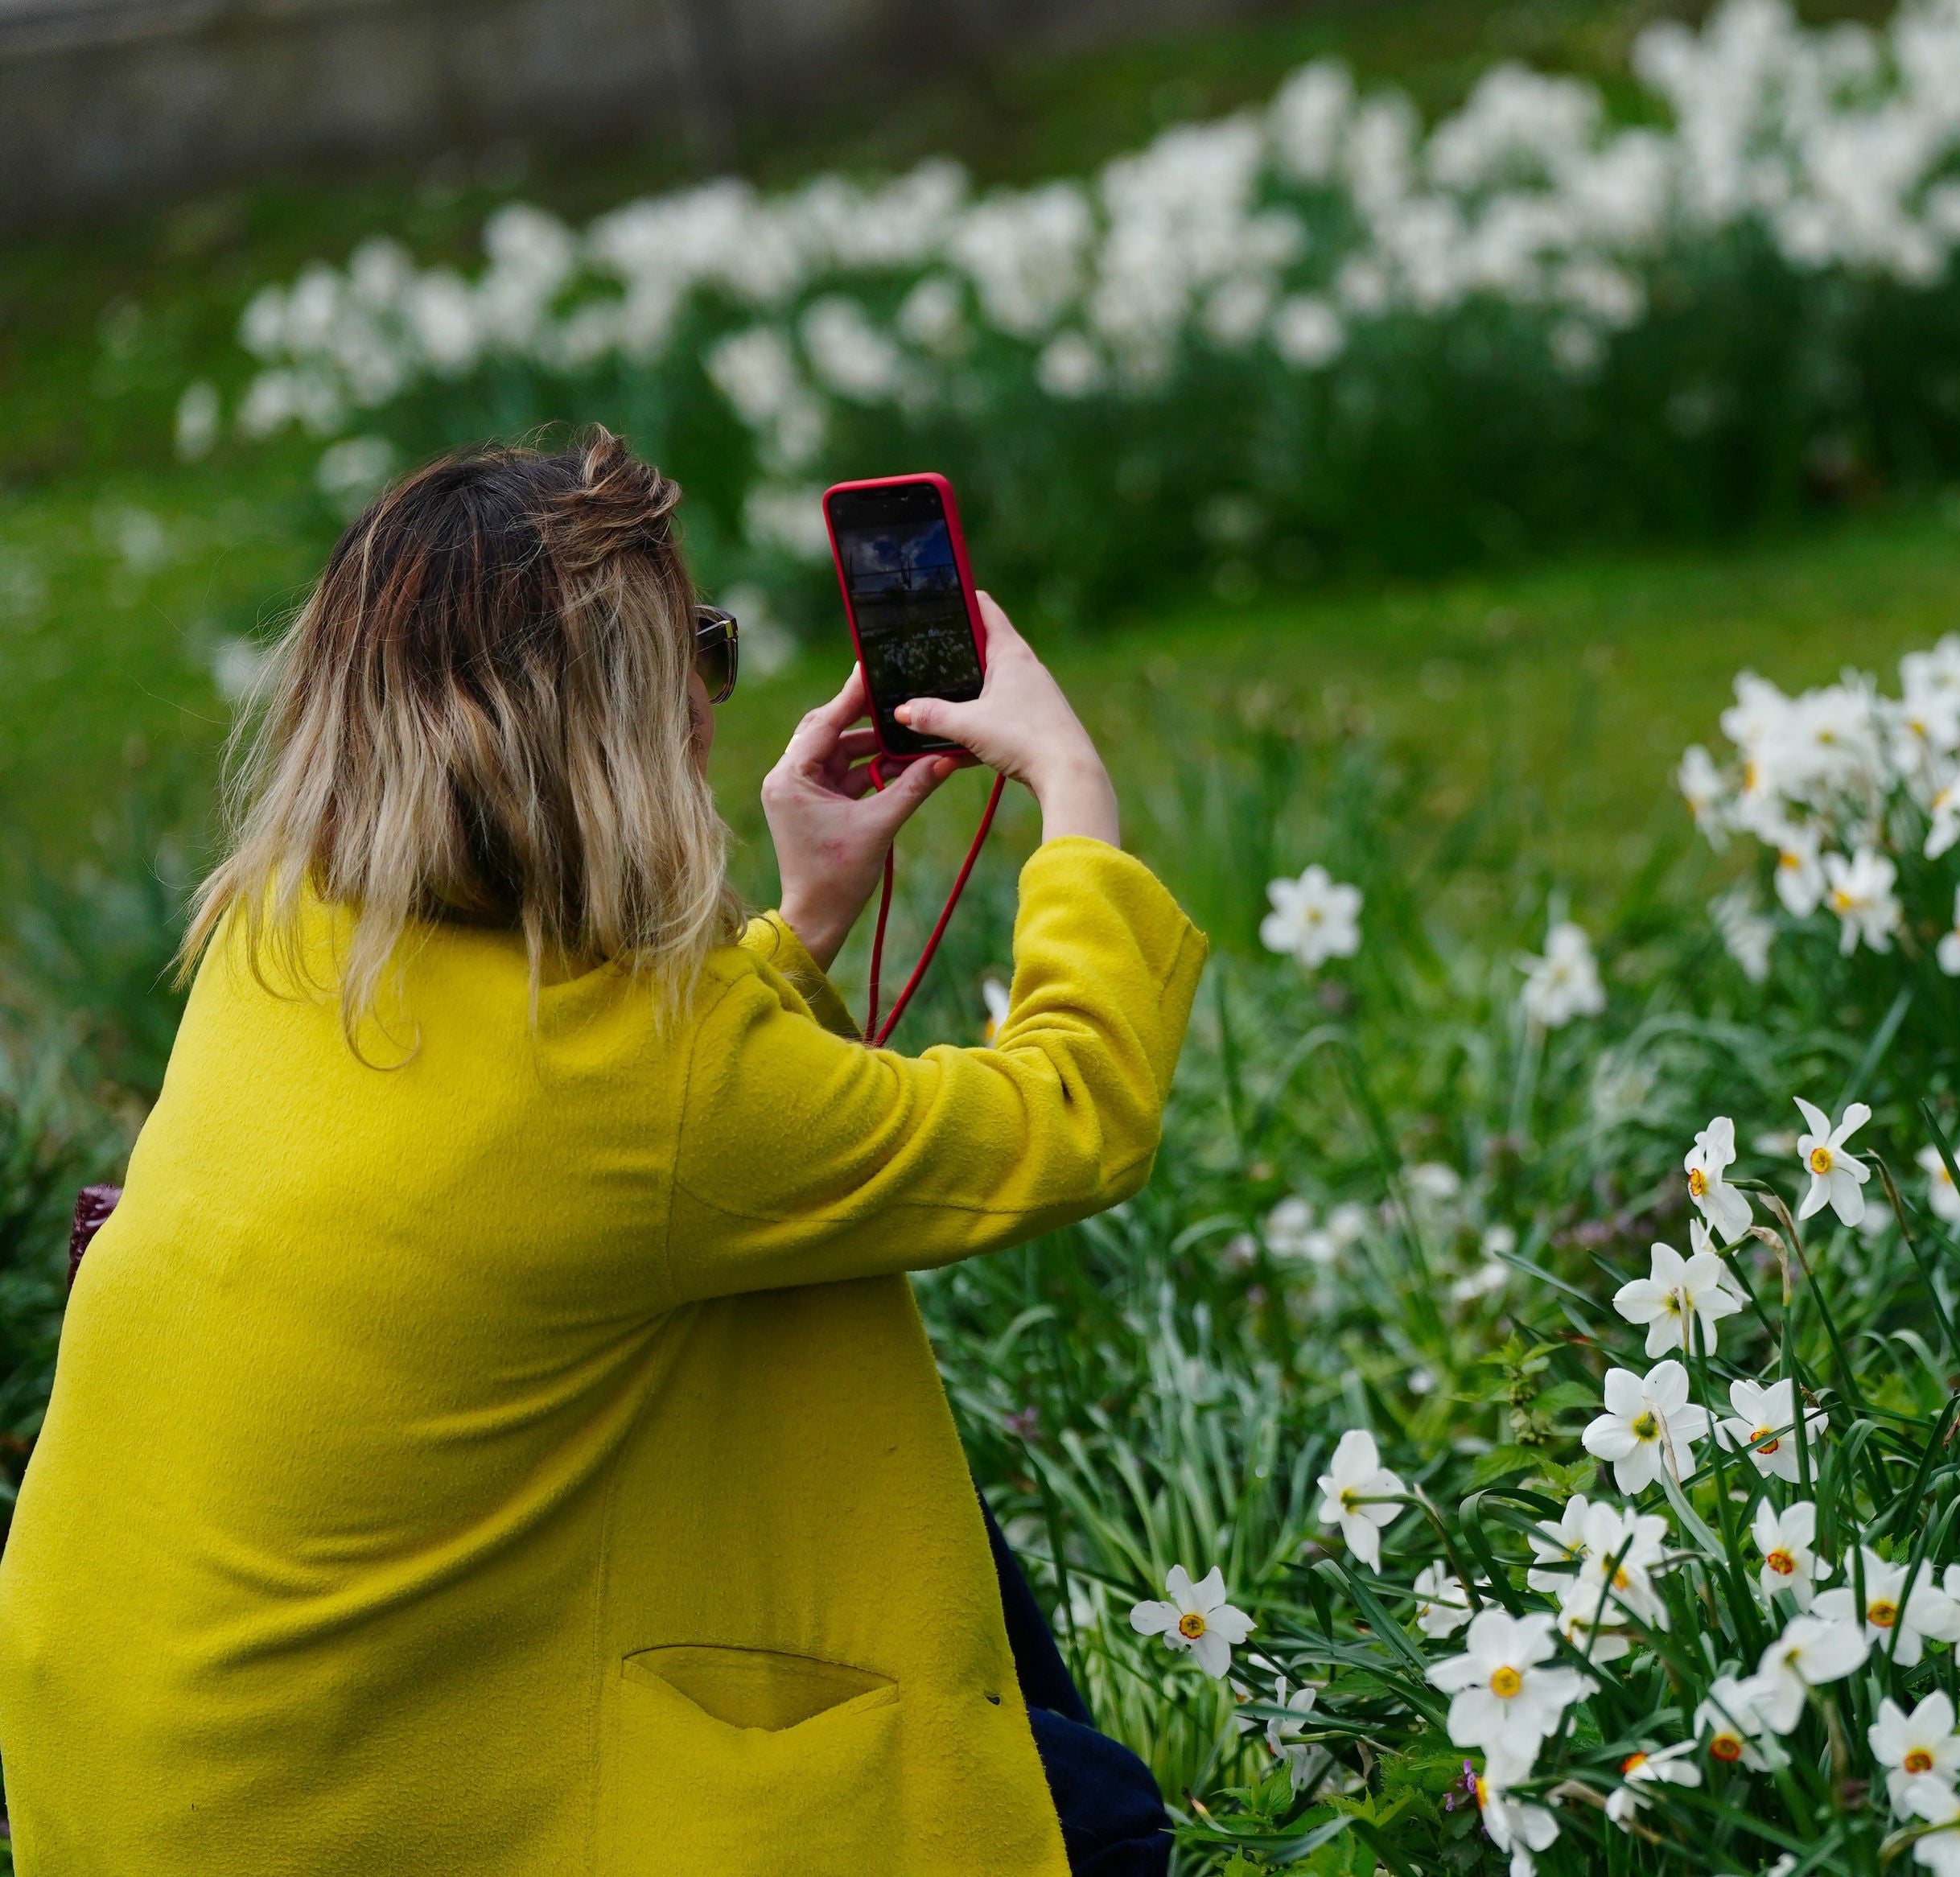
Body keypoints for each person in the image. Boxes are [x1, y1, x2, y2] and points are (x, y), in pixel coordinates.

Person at [0, 428, 1206, 1875]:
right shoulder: (656, 1079)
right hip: (351, 1821)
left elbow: (603, 1152)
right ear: (627, 722)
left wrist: (803, 918)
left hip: (150, 1791)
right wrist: (1071, 791)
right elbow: (1073, 1113)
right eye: (694, 650)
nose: (710, 688)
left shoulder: (287, 934)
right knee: (1096, 1826)